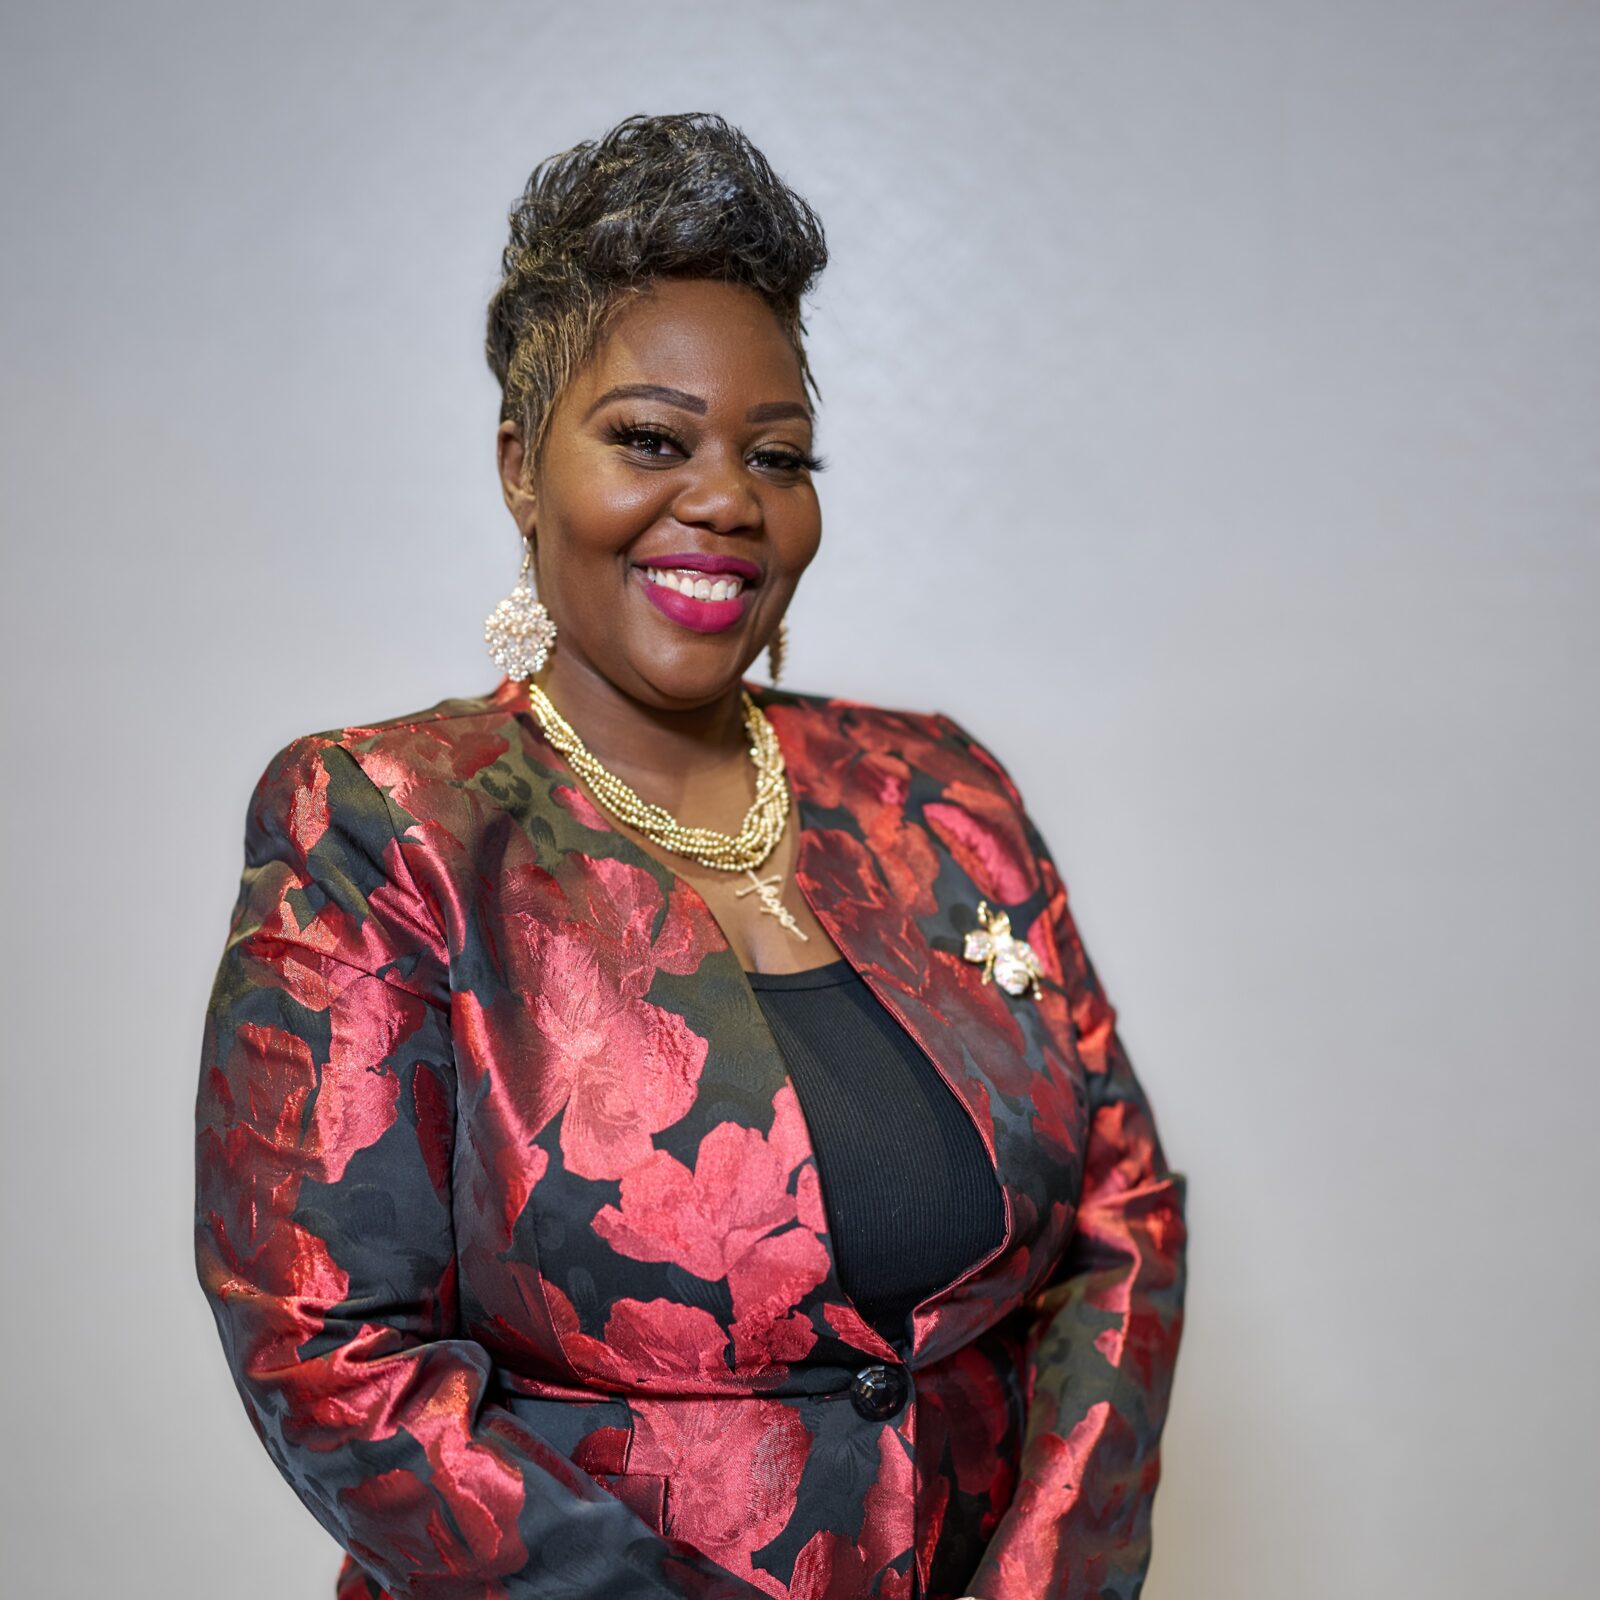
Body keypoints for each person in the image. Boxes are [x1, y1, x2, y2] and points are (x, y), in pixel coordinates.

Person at [193, 111, 1189, 1600]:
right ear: (522, 465)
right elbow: (327, 1351)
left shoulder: (943, 796)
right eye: (651, 441)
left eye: (775, 455)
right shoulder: (386, 825)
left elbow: (1122, 1219)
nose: (727, 499)